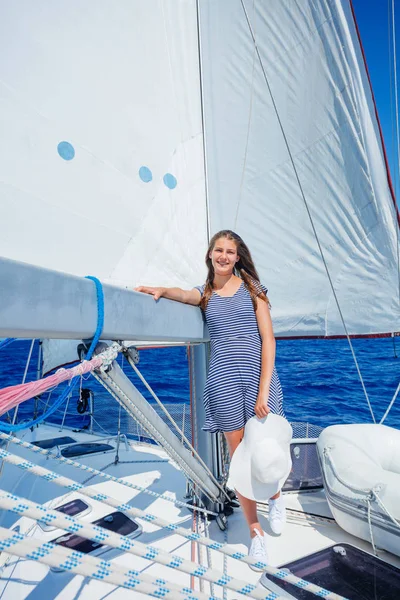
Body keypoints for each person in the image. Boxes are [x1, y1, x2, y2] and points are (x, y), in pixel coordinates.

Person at [135, 229, 286, 565]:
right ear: (209, 255)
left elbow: (269, 341)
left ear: (237, 256)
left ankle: (275, 496)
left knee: (264, 449)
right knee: (240, 459)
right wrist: (161, 290)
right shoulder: (205, 293)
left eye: (230, 252)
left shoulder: (252, 289)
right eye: (218, 250)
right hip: (223, 382)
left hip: (258, 378)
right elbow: (184, 295)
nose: (223, 256)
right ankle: (255, 532)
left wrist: (263, 390)